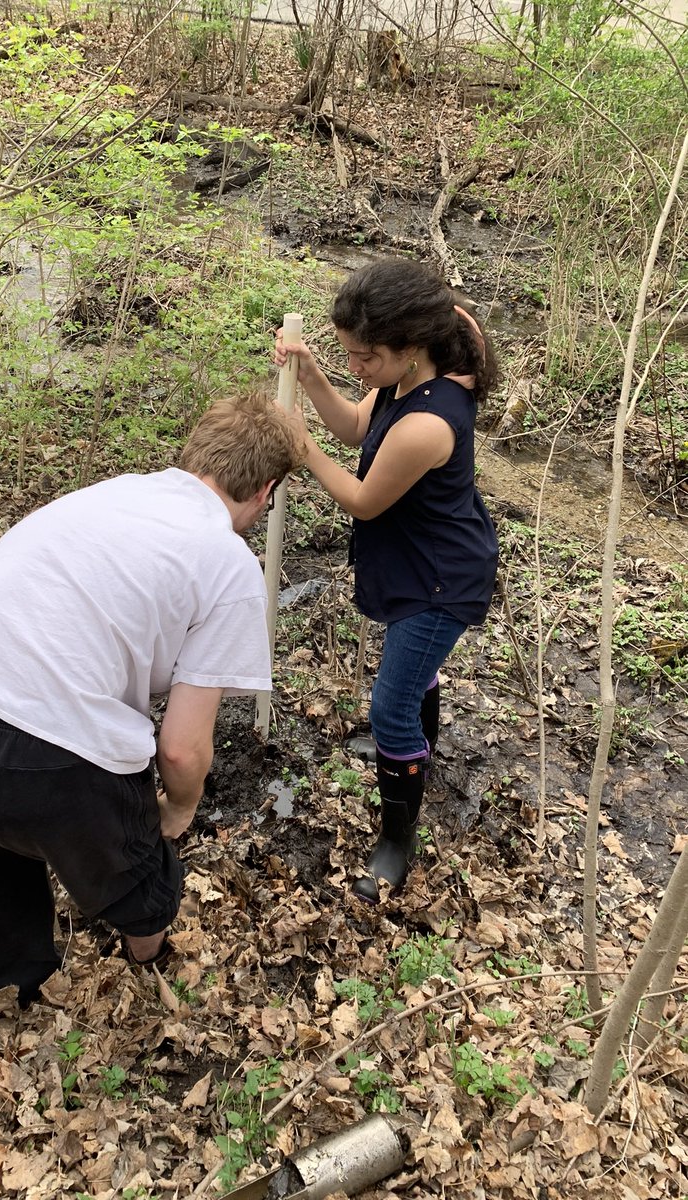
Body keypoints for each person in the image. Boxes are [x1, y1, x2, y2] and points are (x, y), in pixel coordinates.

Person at [0, 389, 305, 1004]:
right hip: (41, 759)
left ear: (193, 456)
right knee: (144, 883)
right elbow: (183, 751)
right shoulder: (228, 562)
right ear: (265, 491)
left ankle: (14, 993)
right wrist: (178, 812)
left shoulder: (105, 495)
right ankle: (148, 960)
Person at [274, 258, 498, 902]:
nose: (356, 368)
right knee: (416, 677)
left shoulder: (429, 423)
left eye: (363, 357)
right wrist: (314, 374)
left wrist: (299, 444)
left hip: (438, 579)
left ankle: (396, 840)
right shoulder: (402, 382)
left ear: (410, 348)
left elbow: (363, 499)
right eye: (347, 354)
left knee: (389, 708)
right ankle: (418, 754)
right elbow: (351, 425)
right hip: (416, 559)